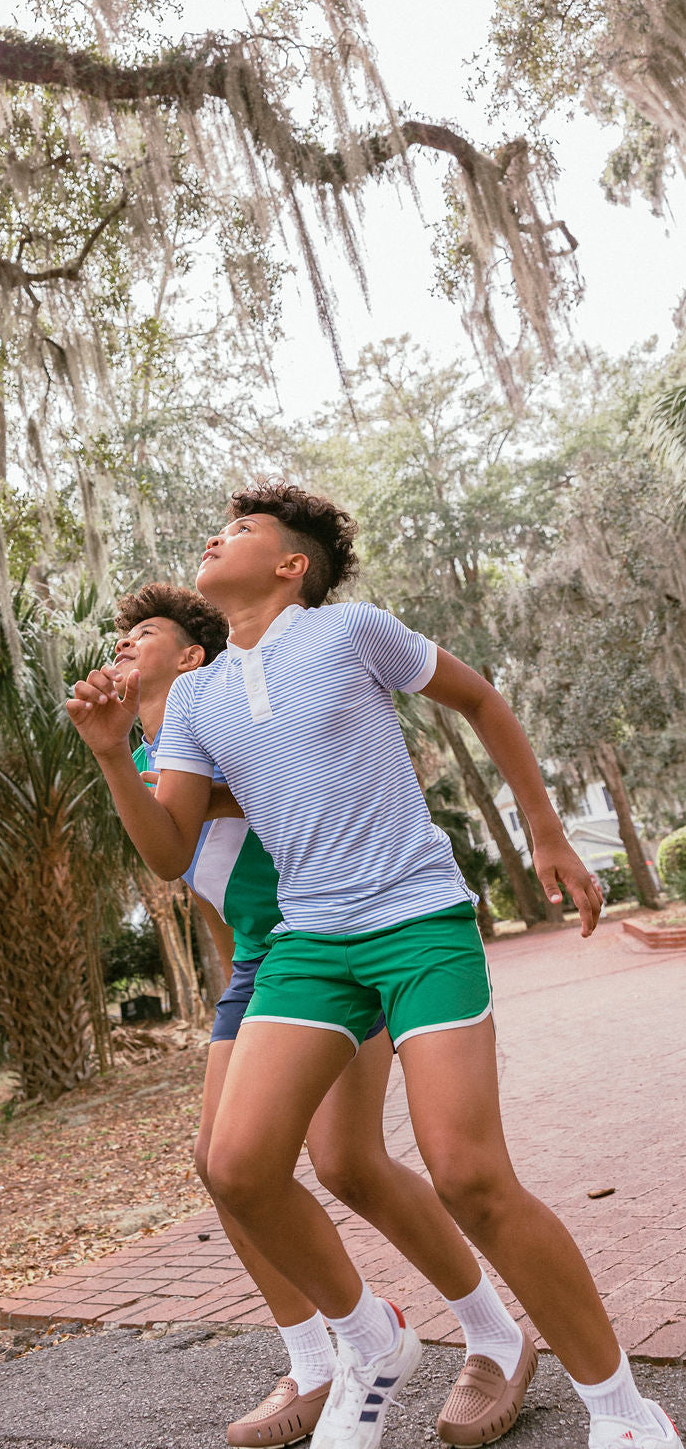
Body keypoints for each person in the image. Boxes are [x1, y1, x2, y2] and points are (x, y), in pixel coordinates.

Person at [68, 485, 682, 1449]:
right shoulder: (195, 696)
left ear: (290, 565)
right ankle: (369, 1341)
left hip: (416, 920)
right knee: (235, 1166)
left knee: (469, 1174)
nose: (214, 537)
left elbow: (477, 697)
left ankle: (625, 1413)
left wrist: (549, 832)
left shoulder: (352, 630)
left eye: (242, 531)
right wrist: (112, 756)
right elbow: (167, 846)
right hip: (312, 948)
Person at [110, 581, 537, 1449]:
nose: (119, 645)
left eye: (142, 633)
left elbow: (246, 809)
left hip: (337, 934)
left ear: (193, 655)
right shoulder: (166, 744)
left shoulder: (224, 720)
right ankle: (319, 1355)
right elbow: (202, 887)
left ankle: (490, 1334)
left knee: (347, 1162)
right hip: (264, 965)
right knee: (224, 1162)